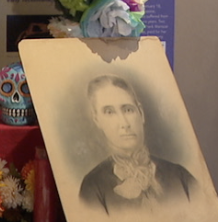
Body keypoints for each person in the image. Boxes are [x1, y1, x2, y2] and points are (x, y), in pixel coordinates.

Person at [78, 75, 199, 214]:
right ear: (97, 120)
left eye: (128, 110)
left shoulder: (180, 176)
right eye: (109, 112)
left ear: (140, 113)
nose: (124, 123)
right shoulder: (92, 187)